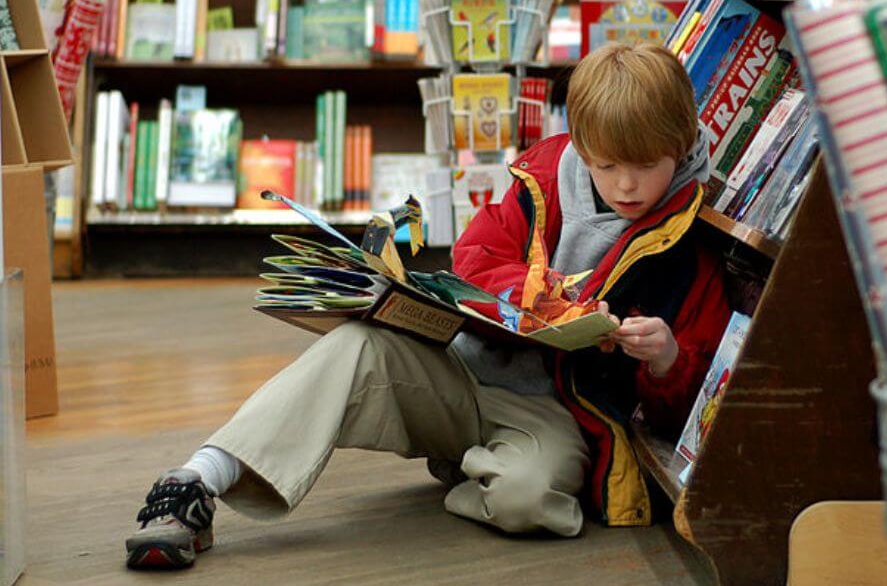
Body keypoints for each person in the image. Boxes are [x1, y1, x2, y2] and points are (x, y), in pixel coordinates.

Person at [125, 41, 731, 570]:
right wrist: (547, 300)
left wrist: (664, 357)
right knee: (356, 347)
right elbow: (475, 257)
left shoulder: (691, 245)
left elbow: (689, 407)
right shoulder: (546, 182)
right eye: (606, 166)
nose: (625, 184)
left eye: (646, 167)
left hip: (553, 414)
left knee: (526, 500)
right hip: (464, 372)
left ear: (679, 147)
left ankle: (468, 466)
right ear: (582, 146)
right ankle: (197, 480)